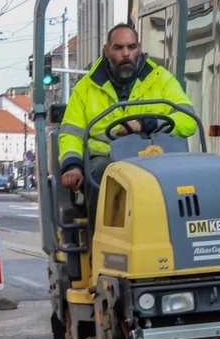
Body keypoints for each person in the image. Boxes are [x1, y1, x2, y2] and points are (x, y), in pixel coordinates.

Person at [58, 23, 196, 222]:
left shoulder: (161, 79)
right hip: (107, 159)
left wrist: (145, 124)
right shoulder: (86, 88)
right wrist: (72, 166)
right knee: (100, 174)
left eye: (131, 47)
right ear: (106, 51)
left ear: (139, 48)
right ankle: (102, 242)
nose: (126, 53)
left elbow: (188, 119)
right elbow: (71, 133)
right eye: (118, 48)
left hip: (155, 157)